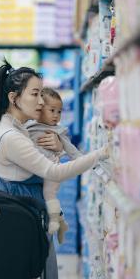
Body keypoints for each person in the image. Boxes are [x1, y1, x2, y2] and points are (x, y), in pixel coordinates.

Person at [0, 60, 109, 279]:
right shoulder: (12, 137)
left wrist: (59, 147)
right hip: (20, 218)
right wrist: (100, 154)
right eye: (35, 94)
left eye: (42, 94)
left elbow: (41, 161)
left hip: (23, 212)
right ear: (14, 98)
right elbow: (54, 173)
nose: (41, 102)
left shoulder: (17, 128)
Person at [25, 87, 83, 244]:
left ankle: (55, 223)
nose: (56, 116)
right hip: (35, 171)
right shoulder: (28, 126)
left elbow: (72, 150)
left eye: (59, 112)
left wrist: (83, 161)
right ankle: (62, 223)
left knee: (49, 194)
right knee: (43, 198)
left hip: (51, 169)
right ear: (39, 108)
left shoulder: (57, 131)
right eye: (52, 110)